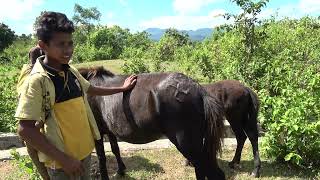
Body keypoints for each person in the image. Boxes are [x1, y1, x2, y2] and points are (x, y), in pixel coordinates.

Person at [15, 11, 137, 180]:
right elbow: (25, 129)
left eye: (70, 43)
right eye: (61, 44)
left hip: (84, 153)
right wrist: (64, 159)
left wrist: (121, 88)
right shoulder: (38, 81)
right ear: (43, 45)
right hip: (61, 163)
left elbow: (90, 89)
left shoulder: (70, 70)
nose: (68, 50)